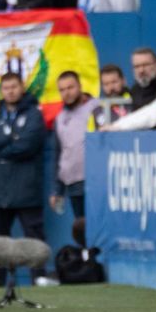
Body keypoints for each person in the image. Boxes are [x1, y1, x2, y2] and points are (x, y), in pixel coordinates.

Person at [0, 71, 50, 287]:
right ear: (1, 91)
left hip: (26, 187)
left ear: (22, 87)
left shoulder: (34, 114)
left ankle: (39, 276)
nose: (10, 91)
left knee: (33, 234)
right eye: (6, 88)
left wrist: (1, 148)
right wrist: (10, 137)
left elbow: (28, 144)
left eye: (14, 87)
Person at [51, 70, 94, 250]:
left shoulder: (95, 108)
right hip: (72, 183)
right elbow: (59, 154)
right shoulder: (60, 118)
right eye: (62, 89)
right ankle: (88, 262)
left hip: (94, 180)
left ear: (80, 87)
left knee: (97, 226)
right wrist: (57, 190)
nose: (67, 92)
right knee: (81, 228)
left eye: (70, 87)